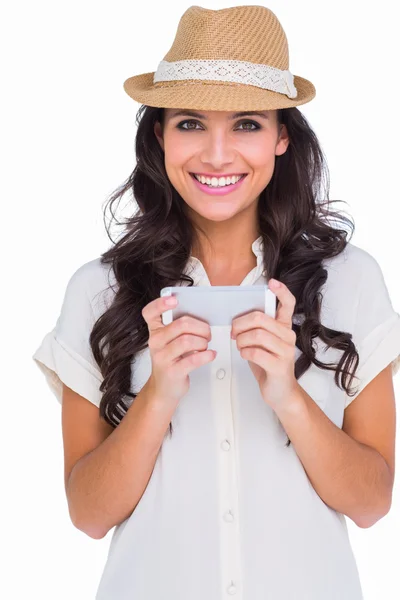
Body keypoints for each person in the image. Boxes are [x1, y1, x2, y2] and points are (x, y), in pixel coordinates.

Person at [32, 5, 400, 600]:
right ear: (160, 134)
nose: (218, 155)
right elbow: (88, 515)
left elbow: (372, 503)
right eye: (191, 123)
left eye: (248, 124)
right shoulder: (97, 290)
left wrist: (288, 396)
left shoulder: (351, 281)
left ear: (283, 135)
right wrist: (158, 395)